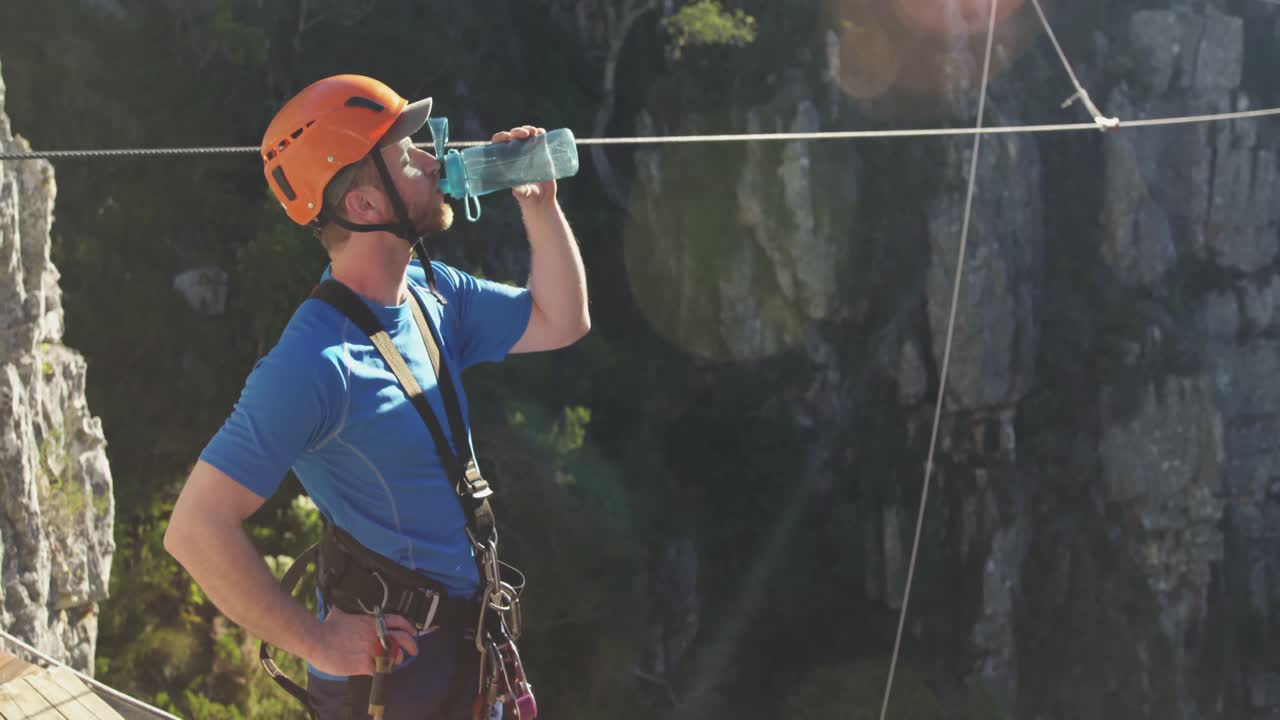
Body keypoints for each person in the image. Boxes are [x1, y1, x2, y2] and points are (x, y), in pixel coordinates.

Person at [164, 74, 589, 719]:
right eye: (408, 157)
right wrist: (320, 643)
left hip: (464, 651)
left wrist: (539, 207)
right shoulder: (314, 363)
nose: (432, 162)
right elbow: (194, 529)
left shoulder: (428, 292)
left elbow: (562, 320)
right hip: (395, 677)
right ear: (364, 206)